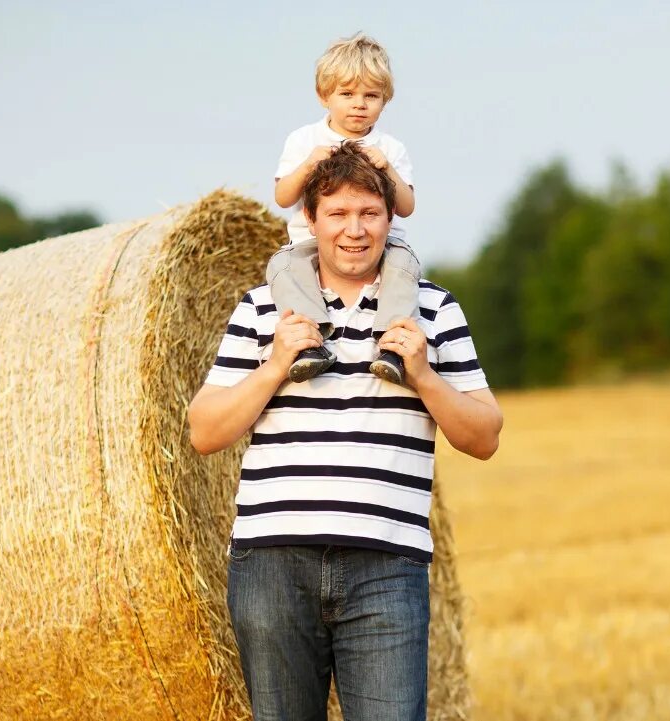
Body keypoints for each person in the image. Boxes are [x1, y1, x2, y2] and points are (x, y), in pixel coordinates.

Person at [188, 142, 503, 721]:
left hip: (388, 568)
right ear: (310, 219)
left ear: (390, 218)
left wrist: (425, 378)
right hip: (272, 567)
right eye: (337, 214)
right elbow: (204, 431)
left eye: (369, 214)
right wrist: (277, 364)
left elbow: (484, 436)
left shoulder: (432, 310)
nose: (354, 231)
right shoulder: (263, 309)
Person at [269, 32, 419, 385]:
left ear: (386, 99)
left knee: (404, 267)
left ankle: (392, 347)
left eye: (371, 96)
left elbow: (407, 207)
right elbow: (282, 197)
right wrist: (308, 164)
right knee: (282, 266)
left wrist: (388, 170)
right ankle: (310, 344)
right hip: (313, 243)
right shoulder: (304, 139)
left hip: (383, 244)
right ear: (324, 96)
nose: (359, 104)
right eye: (347, 94)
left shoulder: (391, 147)